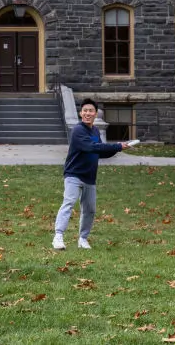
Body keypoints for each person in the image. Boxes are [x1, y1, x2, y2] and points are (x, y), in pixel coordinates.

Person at [53, 99, 132, 250]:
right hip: (73, 174)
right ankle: (58, 237)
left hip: (90, 177)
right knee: (68, 203)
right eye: (85, 111)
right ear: (80, 113)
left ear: (95, 114)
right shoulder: (78, 130)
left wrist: (119, 148)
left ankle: (82, 239)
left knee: (89, 209)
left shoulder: (95, 131)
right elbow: (91, 147)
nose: (87, 113)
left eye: (91, 111)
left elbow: (99, 152)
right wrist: (117, 145)